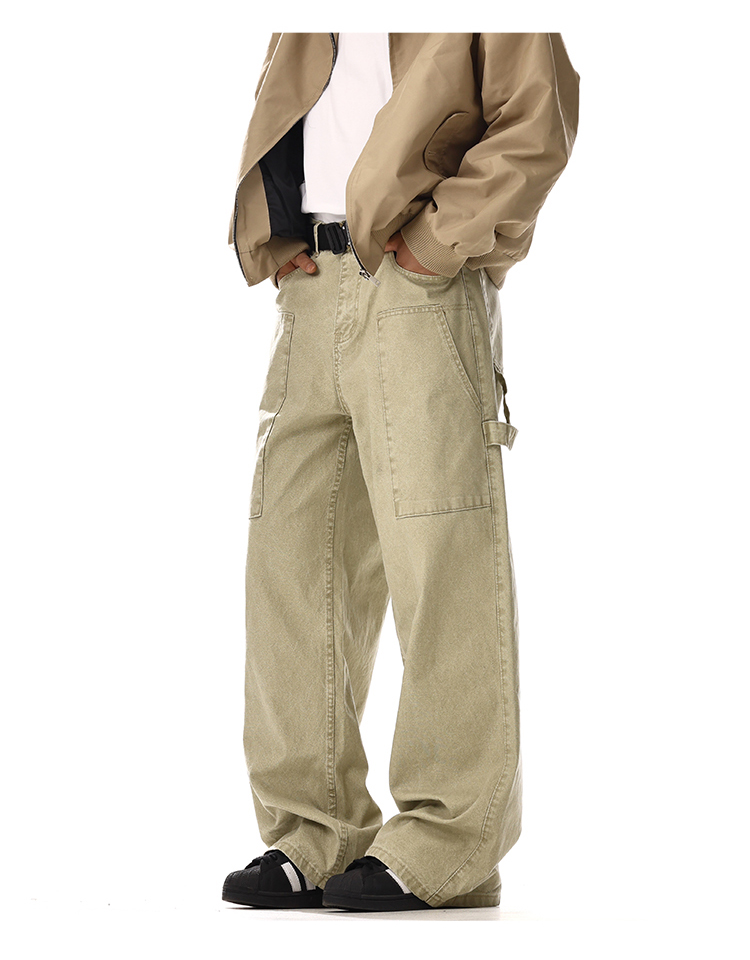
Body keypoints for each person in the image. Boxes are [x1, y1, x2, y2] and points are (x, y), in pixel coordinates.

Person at [221, 32, 580, 912]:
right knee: (290, 566)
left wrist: (437, 239)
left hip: (417, 282)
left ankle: (448, 842)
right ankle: (313, 830)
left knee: (440, 560)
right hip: (311, 283)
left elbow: (537, 115)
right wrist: (278, 231)